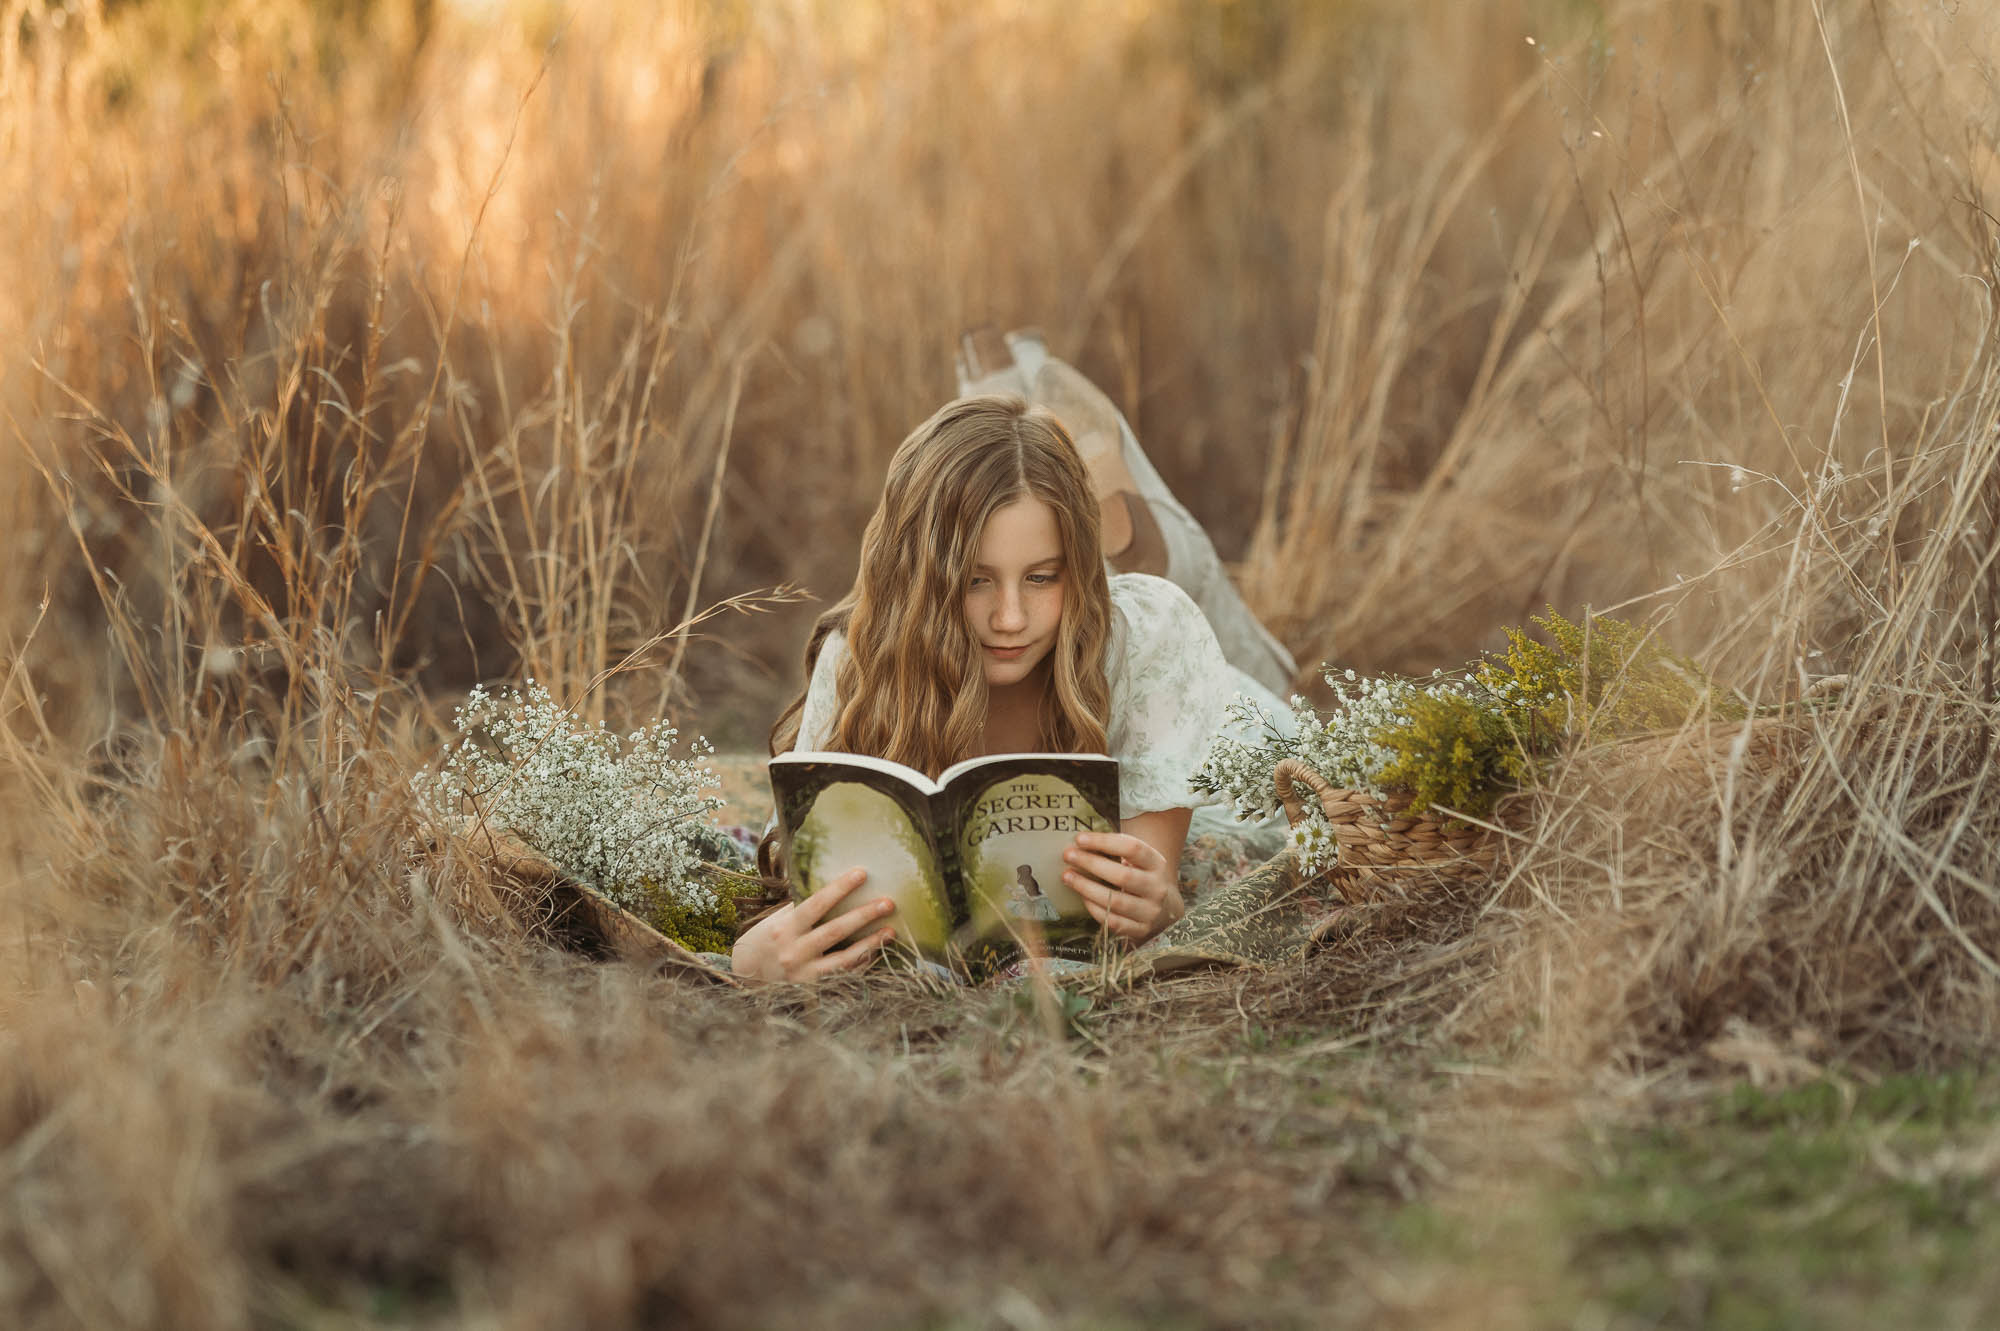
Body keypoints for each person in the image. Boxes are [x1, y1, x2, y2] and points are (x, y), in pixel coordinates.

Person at [732, 356, 1293, 984]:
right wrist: (752, 960)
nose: (1009, 618)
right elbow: (807, 899)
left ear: (1072, 571)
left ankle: (1131, 511)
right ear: (919, 581)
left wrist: (1155, 901)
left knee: (1244, 653)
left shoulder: (1150, 637)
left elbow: (1155, 884)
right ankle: (1055, 437)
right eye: (974, 580)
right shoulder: (861, 654)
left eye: (1040, 576)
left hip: (1230, 734)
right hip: (1133, 660)